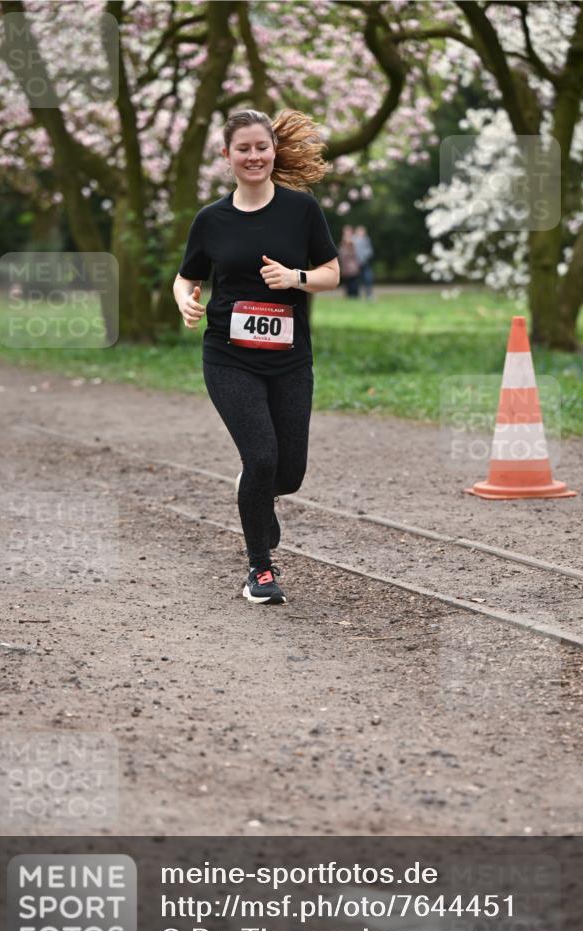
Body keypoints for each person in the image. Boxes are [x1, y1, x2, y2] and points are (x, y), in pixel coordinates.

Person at [173, 109, 340, 605]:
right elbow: (188, 275)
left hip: (290, 359)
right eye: (242, 148)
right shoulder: (212, 220)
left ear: (274, 151)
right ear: (227, 156)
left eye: (261, 147)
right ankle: (259, 570)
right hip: (229, 357)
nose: (253, 156)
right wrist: (183, 298)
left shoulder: (301, 210)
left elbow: (331, 271)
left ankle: (256, 488)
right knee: (262, 455)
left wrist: (297, 279)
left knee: (287, 474)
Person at [338, 225, 360, 298]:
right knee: (347, 284)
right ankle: (349, 296)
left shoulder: (354, 241)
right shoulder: (342, 242)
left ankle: (355, 297)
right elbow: (340, 254)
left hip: (353, 267)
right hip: (345, 267)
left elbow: (357, 254)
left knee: (354, 284)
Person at [353, 225, 374, 300]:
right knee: (356, 281)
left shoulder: (366, 239)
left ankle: (369, 295)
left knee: (368, 279)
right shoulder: (353, 239)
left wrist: (365, 257)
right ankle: (356, 295)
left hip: (365, 263)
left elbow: (370, 251)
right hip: (355, 264)